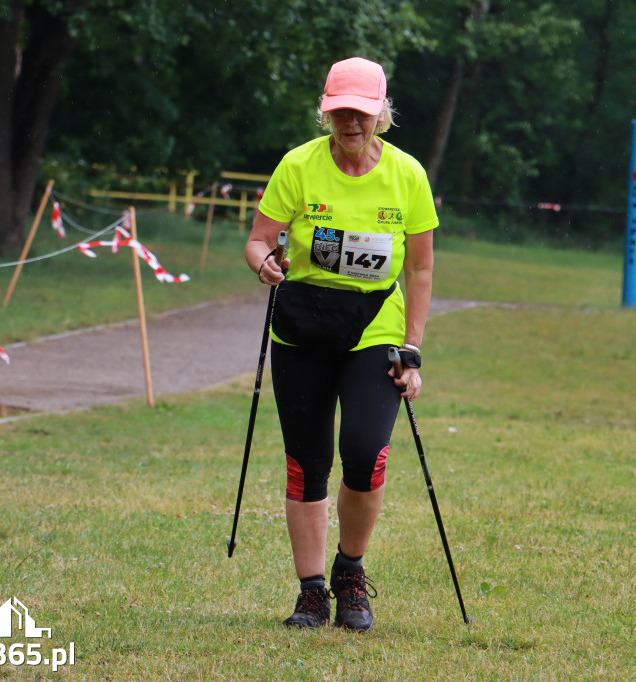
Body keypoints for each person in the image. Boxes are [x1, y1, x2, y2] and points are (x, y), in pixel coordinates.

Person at [244, 57, 438, 632]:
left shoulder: (408, 175)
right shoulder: (298, 166)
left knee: (364, 450)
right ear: (326, 111)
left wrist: (413, 348)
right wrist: (266, 266)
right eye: (340, 111)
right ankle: (311, 592)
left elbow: (421, 271)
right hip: (302, 325)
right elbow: (258, 242)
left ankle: (350, 571)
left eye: (361, 110)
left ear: (382, 112)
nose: (351, 121)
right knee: (306, 461)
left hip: (374, 325)